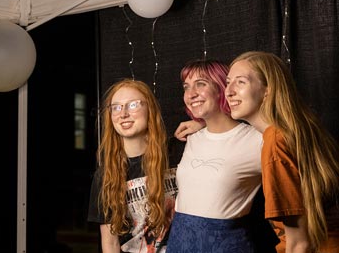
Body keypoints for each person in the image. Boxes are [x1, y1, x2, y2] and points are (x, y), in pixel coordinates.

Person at [224, 51, 339, 253]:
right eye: (228, 82)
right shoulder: (299, 129)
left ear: (267, 90)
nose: (229, 91)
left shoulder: (276, 142)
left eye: (240, 82)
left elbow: (300, 243)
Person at [167, 59, 277, 252]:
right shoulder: (191, 137)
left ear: (222, 87)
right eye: (186, 87)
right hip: (180, 243)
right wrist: (202, 123)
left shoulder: (258, 140)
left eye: (201, 84)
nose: (191, 94)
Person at [87, 78, 177, 253]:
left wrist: (201, 124)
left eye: (133, 105)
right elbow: (111, 243)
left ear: (150, 109)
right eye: (117, 107)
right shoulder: (105, 176)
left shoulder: (178, 152)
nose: (123, 114)